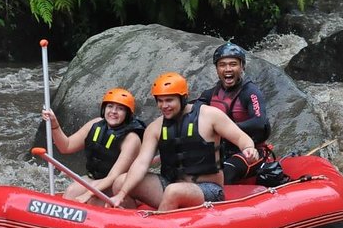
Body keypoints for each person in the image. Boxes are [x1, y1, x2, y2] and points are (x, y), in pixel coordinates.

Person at [109, 72, 259, 211]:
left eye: (169, 100)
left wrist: (249, 148)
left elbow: (241, 137)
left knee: (174, 191)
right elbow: (141, 163)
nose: (164, 106)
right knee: (120, 182)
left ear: (183, 98)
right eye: (160, 101)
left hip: (208, 190)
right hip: (171, 185)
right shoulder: (155, 128)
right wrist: (122, 193)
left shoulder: (210, 115)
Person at [41, 88, 145, 205]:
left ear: (127, 114)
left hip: (117, 186)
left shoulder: (131, 139)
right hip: (95, 179)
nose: (114, 111)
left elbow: (113, 176)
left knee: (91, 200)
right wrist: (55, 125)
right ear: (104, 108)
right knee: (71, 191)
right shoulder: (95, 124)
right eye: (110, 106)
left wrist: (88, 194)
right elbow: (66, 146)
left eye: (120, 109)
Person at [198, 42, 272, 184]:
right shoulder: (210, 95)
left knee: (227, 171)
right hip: (221, 151)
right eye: (222, 65)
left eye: (233, 64)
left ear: (242, 66)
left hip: (250, 151)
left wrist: (223, 129)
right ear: (217, 69)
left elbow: (259, 121)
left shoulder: (251, 92)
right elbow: (189, 113)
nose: (227, 69)